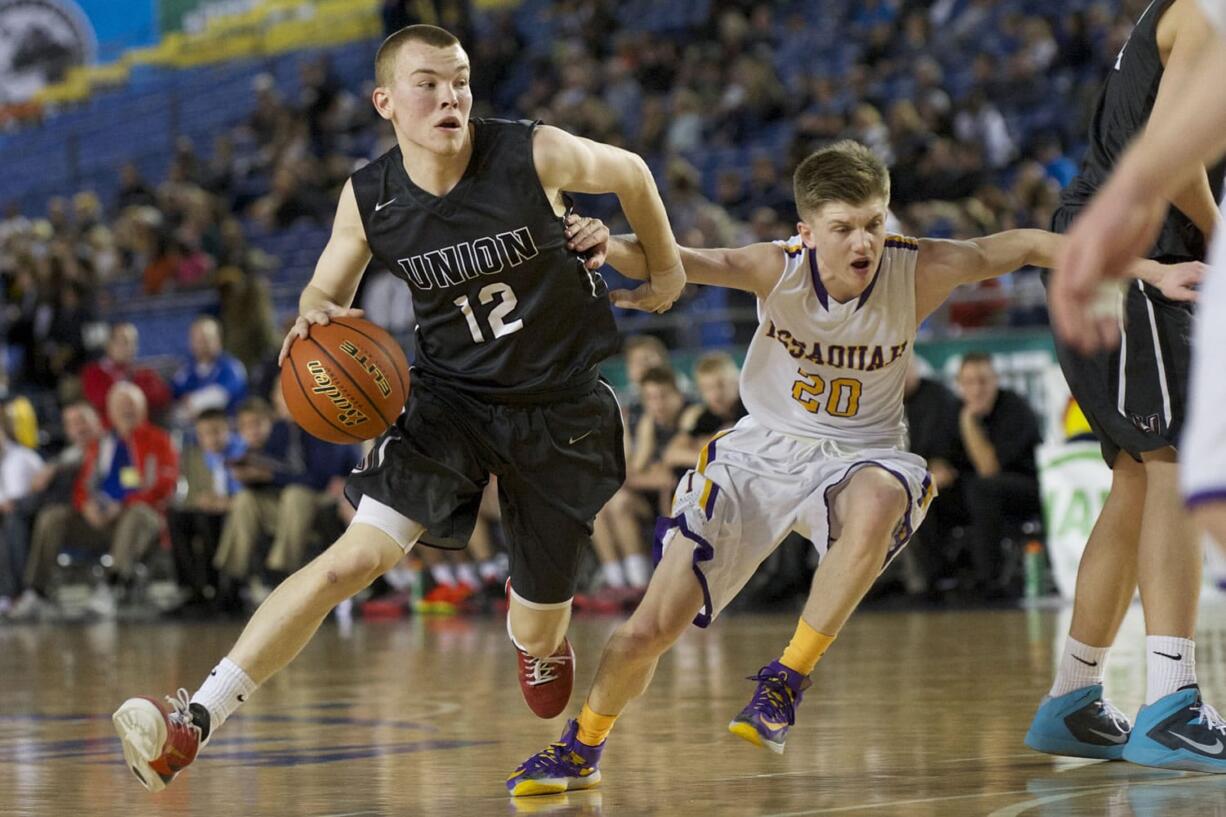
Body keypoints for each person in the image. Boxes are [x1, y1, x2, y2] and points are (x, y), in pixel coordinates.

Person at [506, 139, 1203, 796]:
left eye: (873, 221)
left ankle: (787, 677)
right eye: (843, 227)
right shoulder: (772, 267)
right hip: (763, 452)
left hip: (862, 455)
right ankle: (583, 743)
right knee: (647, 630)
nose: (863, 241)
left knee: (878, 498)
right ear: (807, 230)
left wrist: (1151, 270)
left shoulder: (918, 266)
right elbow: (680, 255)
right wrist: (604, 242)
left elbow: (1024, 244)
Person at [112, 23, 683, 793]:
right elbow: (323, 289)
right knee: (353, 556)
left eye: (461, 80)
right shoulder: (369, 195)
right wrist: (312, 317)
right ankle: (196, 719)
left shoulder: (532, 151)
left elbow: (635, 171)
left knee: (537, 625)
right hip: (450, 400)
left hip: (560, 408)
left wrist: (667, 269)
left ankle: (540, 638)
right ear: (386, 100)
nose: (449, 95)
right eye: (428, 82)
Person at [1025, 0, 1226, 775]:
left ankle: (1073, 696)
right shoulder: (1206, 17)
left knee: (1139, 476)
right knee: (1173, 462)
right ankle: (1173, 699)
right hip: (1146, 257)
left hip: (1111, 244)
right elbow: (1171, 164)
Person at [26, 383, 178, 618]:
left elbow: (165, 486)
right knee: (52, 516)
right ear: (110, 411)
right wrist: (86, 507)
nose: (127, 410)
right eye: (120, 405)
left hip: (143, 521)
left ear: (143, 408)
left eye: (132, 404)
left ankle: (111, 586)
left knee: (137, 512)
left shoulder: (160, 441)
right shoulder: (101, 444)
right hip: (100, 521)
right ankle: (36, 591)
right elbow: (82, 487)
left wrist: (123, 504)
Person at [952, 352, 1042, 599]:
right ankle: (933, 579)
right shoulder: (950, 409)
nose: (977, 389)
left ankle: (988, 581)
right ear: (959, 385)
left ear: (996, 380)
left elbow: (989, 468)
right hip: (978, 489)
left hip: (1026, 487)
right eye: (969, 382)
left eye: (983, 381)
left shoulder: (1014, 408)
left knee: (982, 488)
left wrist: (968, 421)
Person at [167, 408, 245, 617]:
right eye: (206, 434)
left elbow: (250, 495)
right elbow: (191, 495)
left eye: (217, 431)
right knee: (177, 518)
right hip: (209, 511)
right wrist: (204, 500)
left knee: (208, 521)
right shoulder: (194, 458)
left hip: (236, 513)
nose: (212, 439)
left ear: (228, 430)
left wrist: (226, 503)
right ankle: (193, 589)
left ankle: (221, 590)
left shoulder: (243, 452)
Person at [80, 323, 173, 422]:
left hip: (142, 429)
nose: (129, 347)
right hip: (108, 431)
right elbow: (99, 400)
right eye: (124, 342)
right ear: (109, 345)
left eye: (133, 343)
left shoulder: (144, 373)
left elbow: (162, 397)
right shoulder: (94, 372)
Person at [0, 411, 44, 616]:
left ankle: (18, 593)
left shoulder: (25, 456)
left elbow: (42, 488)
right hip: (8, 515)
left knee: (12, 521)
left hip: (29, 514)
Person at [171, 315, 249, 423]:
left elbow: (222, 396)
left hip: (227, 427)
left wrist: (194, 402)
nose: (202, 344)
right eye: (197, 340)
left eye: (206, 339)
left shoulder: (232, 368)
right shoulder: (185, 371)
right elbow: (175, 401)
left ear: (218, 340)